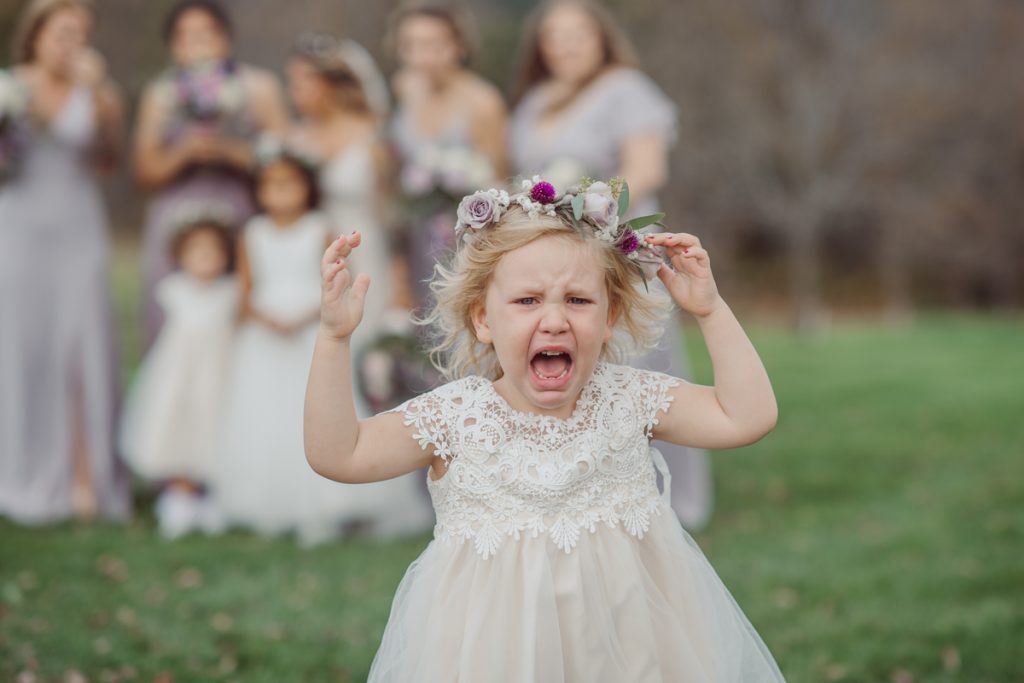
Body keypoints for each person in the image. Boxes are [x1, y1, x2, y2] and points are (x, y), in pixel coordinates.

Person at [305, 177, 784, 680]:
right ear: (483, 319)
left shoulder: (628, 399)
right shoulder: (455, 418)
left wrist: (710, 311)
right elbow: (340, 454)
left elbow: (746, 417)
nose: (554, 320)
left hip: (628, 643)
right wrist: (334, 339)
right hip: (495, 654)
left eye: (577, 301)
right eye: (527, 301)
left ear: (609, 317)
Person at [509, 0, 713, 529]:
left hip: (615, 242)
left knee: (638, 365)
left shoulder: (626, 90)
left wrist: (588, 210)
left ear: (601, 38)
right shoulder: (534, 103)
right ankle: (579, 490)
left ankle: (668, 495)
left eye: (577, 33)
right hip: (555, 254)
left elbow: (645, 169)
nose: (567, 45)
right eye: (554, 36)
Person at [211, 146, 431, 545]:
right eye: (270, 184)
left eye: (287, 183)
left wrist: (308, 315)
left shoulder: (320, 228)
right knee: (264, 416)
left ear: (306, 187)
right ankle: (270, 501)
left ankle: (334, 501)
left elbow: (334, 281)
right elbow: (244, 292)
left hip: (310, 330)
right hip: (265, 339)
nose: (278, 192)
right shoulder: (251, 233)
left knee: (316, 408)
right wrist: (265, 319)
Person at [0, 0, 128, 523]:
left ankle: (85, 476)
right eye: (60, 34)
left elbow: (109, 160)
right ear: (36, 36)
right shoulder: (8, 85)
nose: (68, 45)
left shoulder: (99, 90)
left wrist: (98, 96)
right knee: (21, 343)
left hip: (79, 225)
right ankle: (20, 469)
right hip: (18, 225)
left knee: (83, 342)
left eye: (78, 35)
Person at [134, 0, 287, 347]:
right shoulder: (160, 93)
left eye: (205, 34)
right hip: (175, 215)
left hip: (240, 208)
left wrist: (229, 150)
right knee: (172, 319)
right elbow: (144, 171)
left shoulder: (259, 87)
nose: (197, 44)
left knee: (237, 314)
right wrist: (184, 151)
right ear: (173, 46)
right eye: (185, 37)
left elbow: (284, 165)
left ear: (225, 39)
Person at [286, 35, 412, 409]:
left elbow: (393, 213)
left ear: (330, 83)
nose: (295, 92)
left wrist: (400, 283)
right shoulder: (297, 137)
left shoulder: (372, 135)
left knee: (364, 344)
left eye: (302, 82)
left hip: (365, 250)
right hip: (309, 254)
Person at [119, 213, 238, 538]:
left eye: (214, 250)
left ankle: (211, 496)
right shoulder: (173, 290)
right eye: (196, 249)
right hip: (178, 379)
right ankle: (179, 495)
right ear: (180, 256)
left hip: (218, 377)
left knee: (214, 429)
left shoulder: (231, 292)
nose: (205, 257)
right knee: (178, 431)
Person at [386, 1, 508, 310]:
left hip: (465, 238)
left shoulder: (483, 102)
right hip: (416, 230)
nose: (421, 56)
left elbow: (499, 179)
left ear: (459, 46)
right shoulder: (405, 87)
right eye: (410, 45)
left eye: (433, 44)